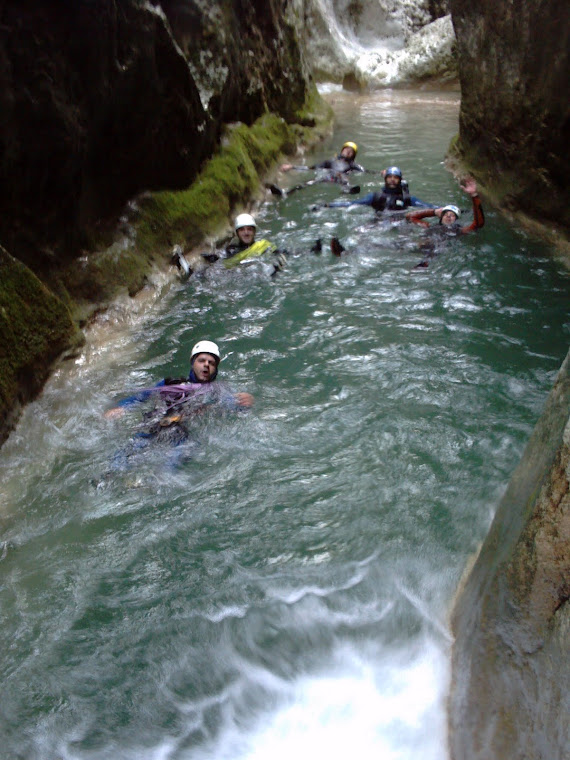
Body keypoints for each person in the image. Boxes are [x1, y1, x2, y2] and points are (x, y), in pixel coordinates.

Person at [172, 214, 287, 279]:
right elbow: (224, 262)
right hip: (236, 275)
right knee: (207, 273)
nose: (246, 233)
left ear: (254, 231)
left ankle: (272, 274)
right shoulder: (231, 249)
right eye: (242, 230)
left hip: (253, 272)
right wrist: (214, 259)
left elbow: (283, 252)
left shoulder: (263, 245)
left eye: (249, 229)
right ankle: (188, 271)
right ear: (237, 233)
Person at [405, 177, 485, 269]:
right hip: (420, 245)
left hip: (435, 251)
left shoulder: (458, 231)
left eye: (452, 215)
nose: (448, 216)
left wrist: (474, 195)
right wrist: (434, 212)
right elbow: (409, 217)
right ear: (441, 217)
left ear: (456, 219)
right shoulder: (429, 226)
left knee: (427, 259)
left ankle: (422, 266)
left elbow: (478, 224)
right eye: (446, 214)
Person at [267, 141, 366, 197]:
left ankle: (348, 190)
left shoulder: (352, 164)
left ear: (353, 156)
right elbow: (312, 168)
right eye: (346, 149)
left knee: (343, 178)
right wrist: (292, 167)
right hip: (328, 177)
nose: (348, 152)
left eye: (351, 151)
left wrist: (381, 173)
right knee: (309, 182)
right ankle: (285, 193)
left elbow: (365, 171)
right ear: (342, 150)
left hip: (341, 177)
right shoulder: (330, 161)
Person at [321, 166, 434, 213]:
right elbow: (351, 204)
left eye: (395, 178)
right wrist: (328, 205)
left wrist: (448, 209)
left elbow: (427, 207)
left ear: (400, 180)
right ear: (385, 179)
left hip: (400, 223)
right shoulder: (375, 196)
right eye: (390, 177)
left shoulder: (407, 198)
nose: (392, 180)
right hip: (379, 222)